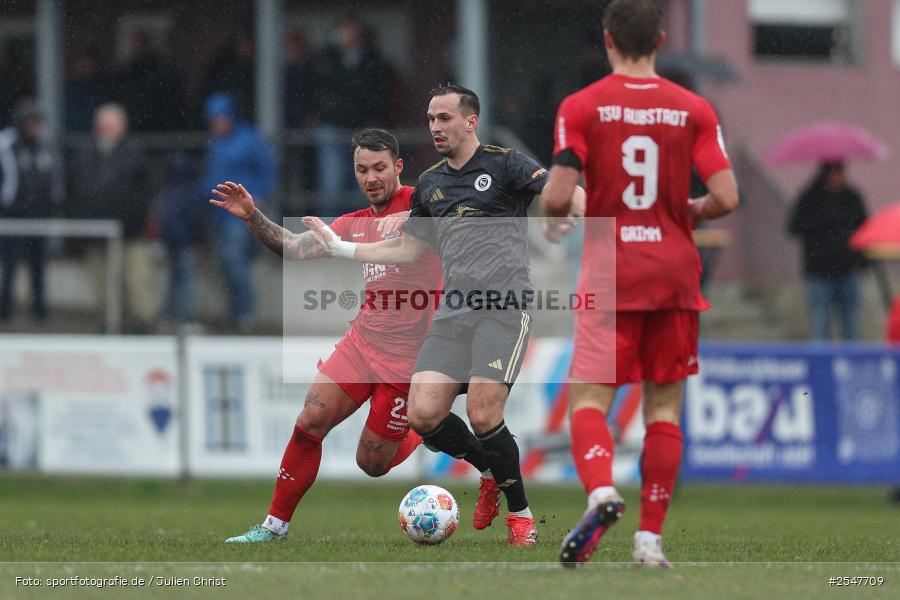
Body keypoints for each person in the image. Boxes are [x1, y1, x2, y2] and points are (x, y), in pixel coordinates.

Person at [305, 84, 585, 546]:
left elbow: (569, 195)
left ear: (471, 121)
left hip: (504, 309)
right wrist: (342, 247)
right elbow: (407, 249)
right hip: (454, 313)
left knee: (482, 413)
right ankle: (491, 472)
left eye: (444, 118)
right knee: (423, 414)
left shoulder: (505, 164)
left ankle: (521, 517)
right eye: (431, 119)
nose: (435, 127)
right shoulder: (431, 184)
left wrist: (576, 214)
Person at [540, 0, 739, 567]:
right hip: (674, 273)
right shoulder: (692, 107)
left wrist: (554, 217)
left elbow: (558, 193)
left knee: (589, 399)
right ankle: (649, 541)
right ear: (661, 40)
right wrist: (693, 210)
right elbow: (726, 197)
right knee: (664, 409)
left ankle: (602, 492)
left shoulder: (582, 105)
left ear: (607, 39)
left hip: (613, 272)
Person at [214, 128, 442, 543]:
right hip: (362, 345)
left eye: (379, 168)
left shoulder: (423, 205)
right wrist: (251, 215)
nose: (371, 178)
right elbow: (293, 247)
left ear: (398, 167)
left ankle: (424, 426)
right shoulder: (354, 223)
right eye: (362, 170)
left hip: (407, 362)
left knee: (371, 464)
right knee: (310, 421)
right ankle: (274, 527)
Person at [69, 103, 156, 332]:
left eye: (112, 124)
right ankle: (112, 322)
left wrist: (134, 219)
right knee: (103, 281)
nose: (106, 129)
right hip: (96, 231)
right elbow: (76, 190)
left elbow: (145, 192)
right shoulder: (85, 152)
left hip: (130, 230)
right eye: (103, 124)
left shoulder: (134, 153)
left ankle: (143, 322)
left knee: (137, 278)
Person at [201, 92, 276, 332]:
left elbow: (268, 169)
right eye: (213, 119)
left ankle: (245, 314)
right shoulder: (215, 143)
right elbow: (210, 175)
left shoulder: (249, 139)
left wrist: (260, 195)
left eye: (220, 118)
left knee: (235, 260)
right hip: (219, 213)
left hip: (240, 214)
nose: (216, 123)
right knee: (223, 264)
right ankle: (233, 314)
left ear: (230, 116)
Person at [310, 18, 390, 216]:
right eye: (345, 31)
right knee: (332, 185)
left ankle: (362, 227)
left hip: (363, 127)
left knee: (363, 182)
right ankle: (329, 229)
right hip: (331, 126)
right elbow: (313, 88)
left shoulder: (371, 58)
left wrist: (372, 115)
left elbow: (380, 92)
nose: (349, 36)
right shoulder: (326, 58)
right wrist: (318, 113)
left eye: (353, 31)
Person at [788, 161, 868, 341]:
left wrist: (863, 262)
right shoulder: (810, 198)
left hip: (848, 269)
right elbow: (794, 227)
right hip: (819, 271)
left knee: (851, 324)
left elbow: (864, 228)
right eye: (834, 173)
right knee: (820, 323)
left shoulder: (852, 197)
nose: (838, 177)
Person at [0, 101, 61, 321]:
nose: (36, 127)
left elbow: (50, 180)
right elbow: (9, 183)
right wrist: (9, 207)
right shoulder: (7, 144)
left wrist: (49, 207)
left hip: (38, 217)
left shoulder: (43, 146)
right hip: (13, 218)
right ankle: (5, 311)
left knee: (38, 266)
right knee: (10, 265)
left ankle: (39, 312)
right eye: (33, 122)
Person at [158, 152, 203, 328]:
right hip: (185, 244)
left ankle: (168, 316)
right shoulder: (190, 192)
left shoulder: (168, 192)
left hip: (171, 243)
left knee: (173, 280)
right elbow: (195, 219)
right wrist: (194, 241)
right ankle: (186, 319)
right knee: (186, 281)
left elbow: (165, 221)